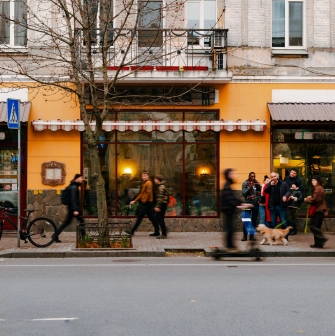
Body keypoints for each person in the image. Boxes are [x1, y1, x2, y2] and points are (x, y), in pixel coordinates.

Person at [220, 169, 251, 252]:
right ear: (228, 175)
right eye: (232, 174)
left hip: (229, 210)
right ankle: (230, 247)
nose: (234, 175)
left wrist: (242, 204)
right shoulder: (227, 185)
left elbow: (233, 198)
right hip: (227, 210)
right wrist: (239, 205)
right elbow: (230, 199)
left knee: (231, 229)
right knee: (230, 229)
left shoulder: (228, 185)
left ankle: (230, 246)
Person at [54, 173, 85, 243]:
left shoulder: (74, 186)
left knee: (67, 222)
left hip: (72, 208)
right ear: (76, 179)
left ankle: (55, 235)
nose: (82, 179)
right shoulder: (74, 187)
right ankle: (84, 238)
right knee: (82, 222)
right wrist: (75, 210)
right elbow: (73, 199)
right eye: (81, 178)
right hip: (74, 209)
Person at [129, 171, 160, 236]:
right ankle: (158, 231)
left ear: (148, 176)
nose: (144, 177)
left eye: (145, 175)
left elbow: (148, 193)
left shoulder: (148, 183)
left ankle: (132, 231)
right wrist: (135, 200)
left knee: (140, 217)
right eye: (143, 176)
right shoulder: (144, 183)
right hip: (147, 203)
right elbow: (141, 194)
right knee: (152, 217)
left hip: (146, 203)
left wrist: (144, 201)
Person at [304, 176, 328, 248]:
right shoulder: (319, 188)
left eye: (314, 180)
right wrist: (310, 197)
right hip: (320, 210)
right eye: (312, 180)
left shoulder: (318, 188)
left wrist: (306, 199)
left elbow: (315, 199)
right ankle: (318, 244)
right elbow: (316, 197)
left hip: (318, 210)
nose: (313, 182)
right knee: (316, 226)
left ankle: (322, 238)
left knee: (312, 225)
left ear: (318, 181)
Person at [241, 172, 261, 241]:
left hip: (255, 204)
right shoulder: (245, 183)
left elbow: (260, 193)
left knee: (254, 220)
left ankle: (251, 236)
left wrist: (259, 200)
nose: (253, 178)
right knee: (246, 220)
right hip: (248, 203)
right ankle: (245, 236)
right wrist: (249, 187)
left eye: (254, 176)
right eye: (252, 176)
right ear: (249, 176)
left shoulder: (257, 183)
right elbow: (243, 193)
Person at [153, 174, 169, 239]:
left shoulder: (161, 187)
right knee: (157, 218)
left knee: (160, 219)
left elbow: (160, 198)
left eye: (155, 179)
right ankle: (164, 230)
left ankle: (164, 233)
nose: (154, 180)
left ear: (158, 180)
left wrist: (158, 207)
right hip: (163, 204)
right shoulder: (161, 186)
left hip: (162, 205)